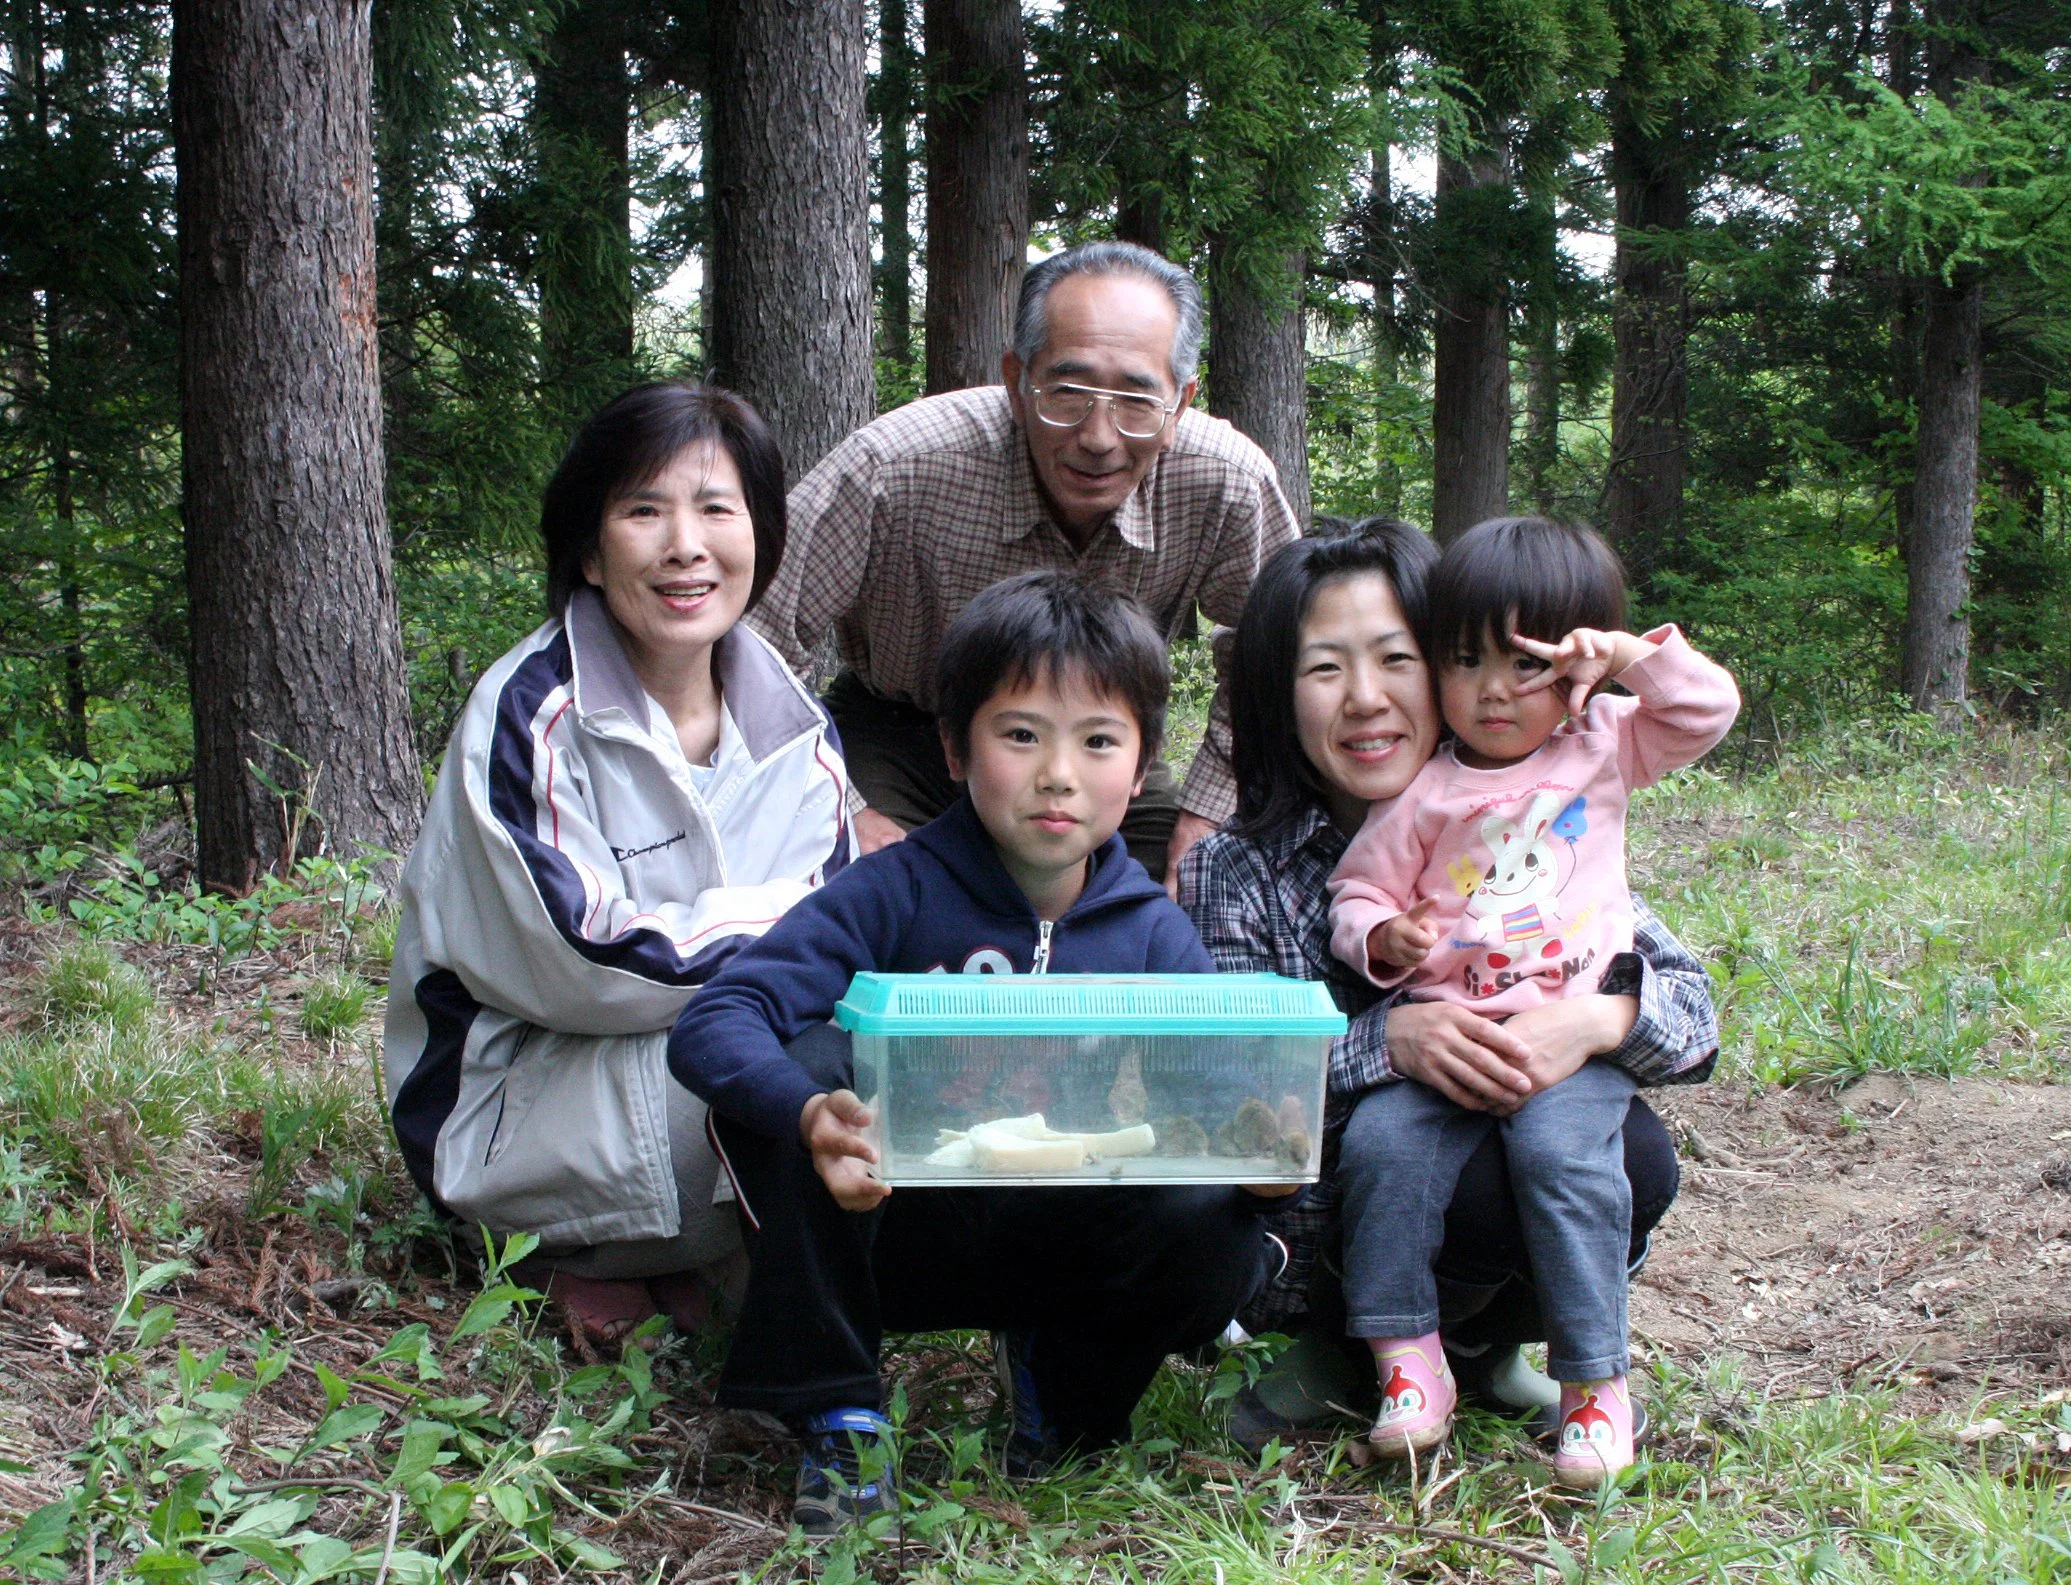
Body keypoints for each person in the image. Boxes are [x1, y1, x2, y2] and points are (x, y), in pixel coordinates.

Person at [672, 571, 1290, 1534]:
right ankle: (839, 1409)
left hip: (1063, 1238)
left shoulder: (1148, 931)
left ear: (1141, 766)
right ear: (956, 749)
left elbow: (1211, 1089)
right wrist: (807, 1114)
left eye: (1097, 740)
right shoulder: (896, 889)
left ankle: (1068, 1390)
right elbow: (720, 1017)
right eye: (1020, 734)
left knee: (1212, 1213)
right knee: (811, 1064)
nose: (1059, 774)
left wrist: (1257, 1154)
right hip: (889, 1231)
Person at [1176, 520, 1719, 1463]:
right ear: (1275, 691)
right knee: (1416, 1147)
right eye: (1323, 670)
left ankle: (1490, 1348)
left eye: (1398, 658)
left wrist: (1598, 1018)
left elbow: (1694, 1023)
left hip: (1516, 1141)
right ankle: (1354, 1351)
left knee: (1621, 1149)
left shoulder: (1534, 804)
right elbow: (1236, 1095)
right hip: (1322, 1235)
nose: (1367, 699)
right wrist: (1390, 1041)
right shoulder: (1235, 867)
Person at [383, 383, 853, 1348]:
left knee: (860, 1066)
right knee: (802, 1082)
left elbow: (840, 937)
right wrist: (790, 932)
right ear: (590, 551)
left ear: (759, 534)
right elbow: (585, 963)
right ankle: (576, 1249)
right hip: (520, 1090)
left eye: (717, 508)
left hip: (676, 1065)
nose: (686, 544)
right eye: (644, 510)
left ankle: (686, 1257)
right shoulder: (529, 713)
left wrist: (807, 950)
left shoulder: (793, 726)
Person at [1322, 517, 1739, 1484]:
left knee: (1565, 1159)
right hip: (1450, 1033)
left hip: (1571, 1036)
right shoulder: (1422, 793)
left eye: (1526, 663)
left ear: (1573, 668)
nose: (1495, 690)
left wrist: (1632, 656)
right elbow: (1358, 893)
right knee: (1382, 1153)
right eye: (1465, 662)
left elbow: (1704, 712)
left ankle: (1594, 1386)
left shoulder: (1601, 744)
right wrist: (1382, 939)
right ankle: (1406, 1362)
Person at [748, 240, 1302, 888]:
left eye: (1134, 400)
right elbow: (755, 634)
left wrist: (1206, 810)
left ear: (1179, 403)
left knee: (1191, 895)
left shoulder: (1226, 482)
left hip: (1102, 738)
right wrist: (844, 808)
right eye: (1066, 393)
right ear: (1015, 380)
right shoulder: (896, 468)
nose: (1097, 437)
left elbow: (1273, 657)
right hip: (905, 735)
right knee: (869, 898)